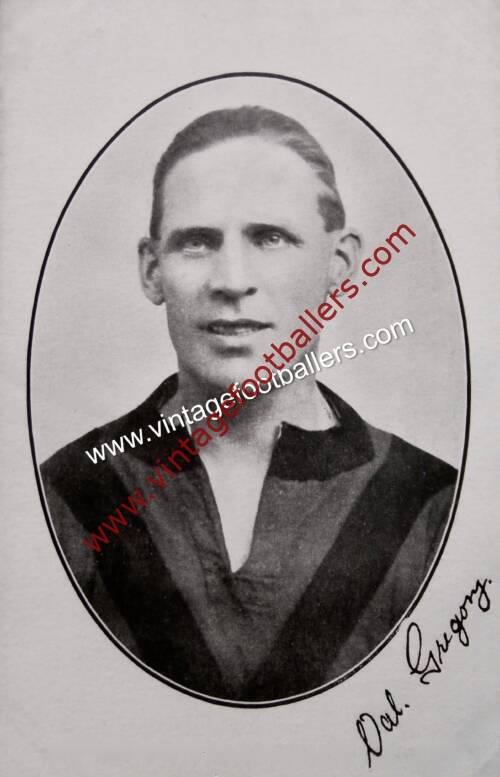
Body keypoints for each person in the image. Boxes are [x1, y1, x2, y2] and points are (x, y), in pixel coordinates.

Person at [41, 106, 457, 702]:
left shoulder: (432, 505)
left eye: (270, 238)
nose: (232, 280)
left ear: (339, 265)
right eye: (197, 242)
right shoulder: (63, 496)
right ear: (152, 270)